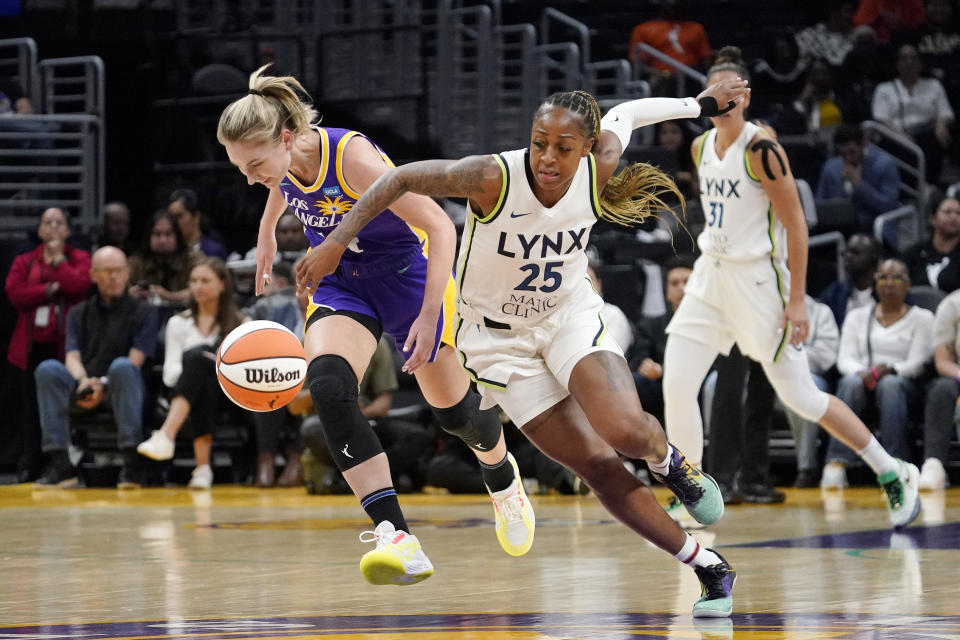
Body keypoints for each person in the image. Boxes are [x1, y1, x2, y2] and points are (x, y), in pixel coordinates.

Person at [299, 72, 751, 613]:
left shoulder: (600, 162)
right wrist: (336, 240)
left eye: (563, 148)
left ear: (587, 148)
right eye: (539, 143)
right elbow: (397, 181)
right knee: (596, 467)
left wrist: (700, 103)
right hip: (496, 344)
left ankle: (669, 462)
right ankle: (707, 566)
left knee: (626, 432)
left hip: (567, 318)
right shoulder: (491, 177)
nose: (547, 158)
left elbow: (629, 111)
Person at [216, 66, 537, 587]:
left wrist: (433, 312)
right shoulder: (282, 162)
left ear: (287, 137)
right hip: (342, 280)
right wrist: (267, 231)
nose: (250, 178)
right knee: (326, 384)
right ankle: (396, 535)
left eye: (254, 164)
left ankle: (501, 476)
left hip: (409, 276)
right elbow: (282, 184)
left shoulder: (353, 158)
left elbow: (437, 225)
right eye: (240, 168)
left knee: (456, 417)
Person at [660, 46, 921, 531]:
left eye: (729, 91)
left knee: (802, 397)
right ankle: (690, 491)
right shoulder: (699, 149)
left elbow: (796, 227)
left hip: (760, 281)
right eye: (713, 91)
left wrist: (797, 299)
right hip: (710, 274)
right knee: (677, 382)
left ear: (744, 96)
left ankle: (893, 470)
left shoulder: (762, 150)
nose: (720, 99)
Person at [33, 247, 158, 489]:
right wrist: (83, 383)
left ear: (127, 273)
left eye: (118, 271)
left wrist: (102, 385)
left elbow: (136, 359)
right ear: (93, 275)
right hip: (85, 387)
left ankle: (132, 464)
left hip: (122, 390)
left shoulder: (144, 312)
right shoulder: (78, 313)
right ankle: (61, 464)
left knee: (123, 367)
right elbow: (71, 356)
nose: (113, 277)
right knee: (48, 369)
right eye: (106, 271)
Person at [821, 258, 933, 488]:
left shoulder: (922, 318)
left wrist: (892, 369)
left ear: (908, 284)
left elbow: (919, 362)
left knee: (890, 384)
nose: (888, 283)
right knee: (849, 383)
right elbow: (844, 359)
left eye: (896, 278)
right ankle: (837, 462)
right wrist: (863, 372)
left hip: (905, 386)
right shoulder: (857, 317)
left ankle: (893, 463)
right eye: (882, 277)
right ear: (875, 283)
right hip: (864, 382)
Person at [136, 257, 246, 489]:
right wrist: (201, 363)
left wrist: (210, 363)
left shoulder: (242, 324)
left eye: (205, 280)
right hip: (191, 391)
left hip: (231, 395)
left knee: (200, 358)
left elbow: (245, 374)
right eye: (193, 281)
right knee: (199, 369)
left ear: (222, 285)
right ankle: (202, 469)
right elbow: (170, 374)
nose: (198, 286)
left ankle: (166, 436)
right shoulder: (178, 323)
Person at [5, 208, 92, 482]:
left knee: (61, 406)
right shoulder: (25, 260)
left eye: (59, 222)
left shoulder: (79, 258)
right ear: (40, 230)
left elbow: (78, 285)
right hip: (29, 348)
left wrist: (58, 263)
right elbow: (15, 293)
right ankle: (32, 463)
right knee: (31, 410)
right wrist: (49, 290)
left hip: (67, 347)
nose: (53, 227)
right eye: (48, 223)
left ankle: (63, 462)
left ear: (68, 230)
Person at [872, 44, 955, 185]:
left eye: (913, 58)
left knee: (936, 141)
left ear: (920, 63)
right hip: (897, 134)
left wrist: (941, 124)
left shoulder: (933, 85)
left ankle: (930, 186)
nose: (909, 62)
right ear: (897, 64)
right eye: (904, 58)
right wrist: (902, 136)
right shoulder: (884, 89)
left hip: (928, 133)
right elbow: (881, 117)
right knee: (901, 146)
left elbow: (945, 111)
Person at [783, 295, 840, 488]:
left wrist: (788, 357)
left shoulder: (820, 311)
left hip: (806, 374)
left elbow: (826, 357)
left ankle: (807, 468)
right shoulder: (761, 306)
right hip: (763, 378)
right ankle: (728, 468)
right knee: (714, 385)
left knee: (801, 389)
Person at [630, 255, 693, 427]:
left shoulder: (713, 323)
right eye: (674, 283)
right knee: (634, 382)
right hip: (661, 386)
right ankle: (630, 441)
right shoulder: (650, 325)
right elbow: (637, 360)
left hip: (699, 384)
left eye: (687, 281)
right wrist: (646, 365)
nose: (682, 288)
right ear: (666, 291)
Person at [815, 124, 900, 240]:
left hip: (873, 225)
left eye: (852, 152)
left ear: (863, 143)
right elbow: (820, 204)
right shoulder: (831, 167)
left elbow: (889, 206)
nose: (848, 158)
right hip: (836, 227)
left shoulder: (885, 164)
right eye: (843, 154)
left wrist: (859, 184)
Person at [919, 286, 960, 489]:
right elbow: (942, 362)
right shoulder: (952, 304)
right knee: (941, 388)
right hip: (958, 375)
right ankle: (934, 465)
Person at [128, 210, 203, 311]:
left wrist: (169, 296)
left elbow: (204, 290)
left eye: (168, 234)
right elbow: (118, 292)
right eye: (157, 234)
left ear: (177, 236)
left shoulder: (193, 259)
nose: (163, 240)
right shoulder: (136, 262)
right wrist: (131, 293)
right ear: (148, 236)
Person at [818, 232, 881, 328]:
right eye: (845, 252)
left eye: (855, 252)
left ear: (873, 259)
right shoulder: (833, 294)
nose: (848, 257)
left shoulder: (889, 291)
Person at [902, 196, 960, 293]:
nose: (954, 217)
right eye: (947, 212)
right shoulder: (914, 253)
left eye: (958, 213)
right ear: (933, 219)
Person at [168, 188, 230, 260]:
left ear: (196, 217)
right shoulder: (169, 251)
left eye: (179, 216)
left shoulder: (215, 251)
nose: (174, 222)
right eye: (171, 218)